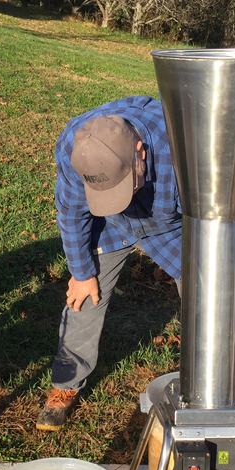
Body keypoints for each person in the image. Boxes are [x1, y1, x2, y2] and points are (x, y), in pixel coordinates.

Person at [36, 96, 182, 431]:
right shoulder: (77, 150)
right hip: (112, 224)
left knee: (207, 295)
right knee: (83, 296)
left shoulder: (185, 147)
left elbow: (209, 216)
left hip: (170, 226)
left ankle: (209, 385)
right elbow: (73, 214)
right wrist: (82, 272)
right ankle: (66, 383)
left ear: (140, 151)